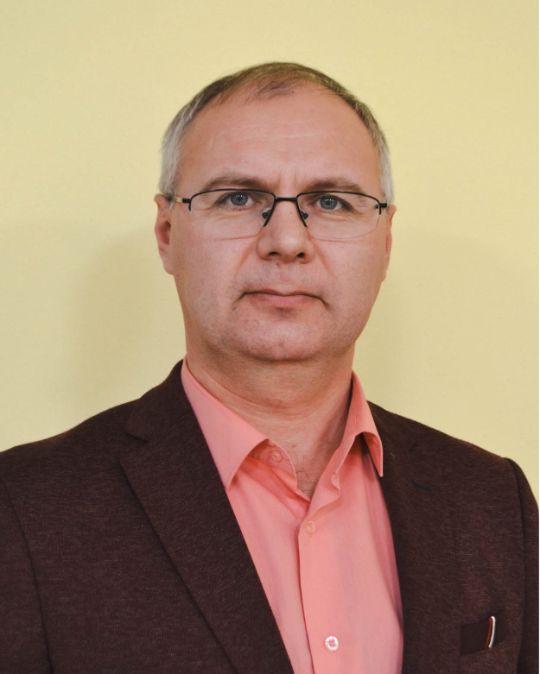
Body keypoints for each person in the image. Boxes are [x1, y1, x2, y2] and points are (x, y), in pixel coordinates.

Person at [0, 63, 537, 674]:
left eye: (331, 202)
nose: (287, 240)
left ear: (385, 242)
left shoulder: (491, 500)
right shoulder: (24, 507)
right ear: (167, 232)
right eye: (239, 197)